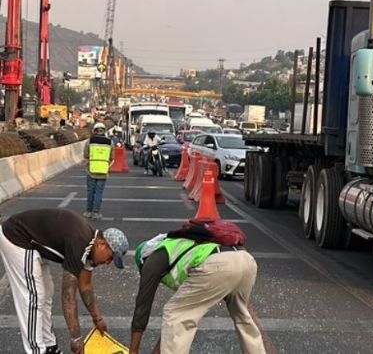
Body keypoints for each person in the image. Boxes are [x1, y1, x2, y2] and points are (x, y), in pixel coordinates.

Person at [0, 209, 128, 354]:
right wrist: (76, 338)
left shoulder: (90, 247)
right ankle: (36, 350)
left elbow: (85, 286)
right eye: (110, 257)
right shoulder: (80, 243)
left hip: (33, 243)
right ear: (102, 244)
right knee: (33, 297)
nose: (108, 263)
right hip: (17, 237)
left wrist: (97, 318)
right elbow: (68, 296)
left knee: (47, 292)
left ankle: (49, 347)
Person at [130, 233, 266, 354]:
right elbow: (176, 326)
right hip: (245, 260)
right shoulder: (176, 246)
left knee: (175, 314)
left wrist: (133, 351)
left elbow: (142, 309)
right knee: (242, 317)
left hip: (219, 263)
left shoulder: (151, 261)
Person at [82, 123, 114, 220]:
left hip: (91, 171)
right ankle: (96, 213)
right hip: (103, 171)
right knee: (98, 192)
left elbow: (86, 155)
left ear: (94, 131)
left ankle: (88, 211)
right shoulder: (110, 142)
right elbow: (112, 158)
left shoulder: (89, 142)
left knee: (90, 191)